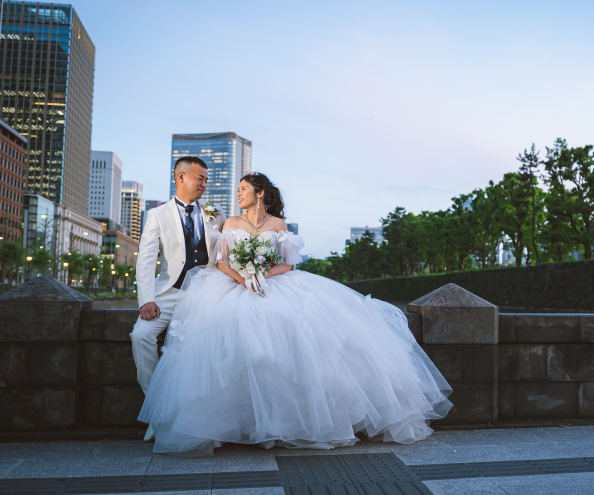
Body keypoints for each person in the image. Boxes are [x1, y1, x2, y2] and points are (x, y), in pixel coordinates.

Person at [138, 172, 452, 456]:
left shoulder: (278, 225)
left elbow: (287, 264)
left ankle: (288, 424)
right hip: (233, 286)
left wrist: (263, 275)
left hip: (274, 284)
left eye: (243, 189)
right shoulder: (230, 223)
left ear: (259, 193)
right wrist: (244, 278)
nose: (238, 194)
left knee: (296, 335)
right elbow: (221, 262)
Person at [131, 156, 226, 443]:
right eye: (200, 178)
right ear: (181, 177)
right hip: (169, 293)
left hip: (206, 294)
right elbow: (146, 261)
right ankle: (156, 411)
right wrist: (146, 300)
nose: (205, 183)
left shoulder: (216, 213)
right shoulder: (156, 214)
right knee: (140, 336)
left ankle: (207, 417)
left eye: (207, 179)